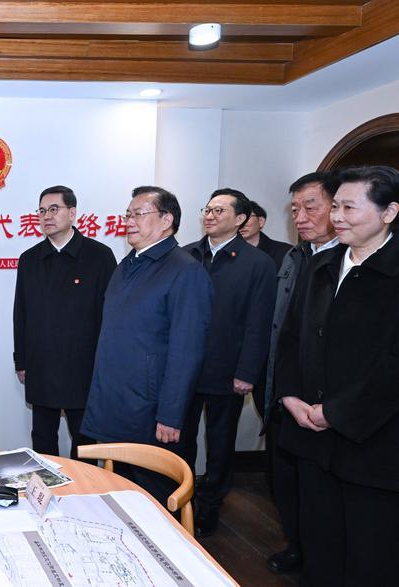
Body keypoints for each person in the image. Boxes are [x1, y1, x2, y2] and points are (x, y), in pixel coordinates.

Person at [275, 165, 399, 586]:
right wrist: (289, 395)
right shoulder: (321, 265)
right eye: (336, 207)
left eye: (349, 207)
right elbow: (291, 336)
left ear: (389, 212)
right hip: (312, 436)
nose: (337, 217)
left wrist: (336, 412)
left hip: (373, 443)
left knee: (369, 556)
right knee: (320, 547)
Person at [81, 186, 212, 507]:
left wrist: (171, 414)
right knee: (117, 491)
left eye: (138, 214)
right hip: (115, 402)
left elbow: (187, 351)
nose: (129, 221)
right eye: (128, 214)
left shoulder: (185, 271)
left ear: (167, 220)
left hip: (150, 411)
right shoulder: (127, 265)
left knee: (154, 497)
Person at [182, 189, 276, 538]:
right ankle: (181, 498)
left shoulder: (257, 263)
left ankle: (210, 506)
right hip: (184, 369)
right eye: (207, 209)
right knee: (179, 440)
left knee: (220, 443)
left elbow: (259, 322)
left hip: (227, 371)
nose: (210, 216)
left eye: (219, 211)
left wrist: (247, 372)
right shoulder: (186, 255)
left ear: (240, 219)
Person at [260, 172, 338, 575]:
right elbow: (283, 329)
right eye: (294, 209)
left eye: (310, 206)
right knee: (286, 481)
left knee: (322, 493)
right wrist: (283, 391)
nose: (301, 217)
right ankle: (296, 546)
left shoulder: (348, 260)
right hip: (285, 390)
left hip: (327, 403)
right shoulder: (295, 257)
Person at [13, 185, 116, 458]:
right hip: (41, 365)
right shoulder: (30, 259)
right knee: (42, 440)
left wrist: (106, 363)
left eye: (54, 209)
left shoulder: (99, 256)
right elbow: (20, 313)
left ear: (72, 213)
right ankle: (45, 485)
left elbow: (111, 315)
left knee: (84, 443)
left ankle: (83, 486)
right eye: (41, 211)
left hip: (84, 366)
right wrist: (21, 360)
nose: (46, 216)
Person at [241, 200, 292, 269]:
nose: (241, 223)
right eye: (238, 219)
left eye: (247, 218)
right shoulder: (228, 251)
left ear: (261, 221)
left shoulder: (285, 252)